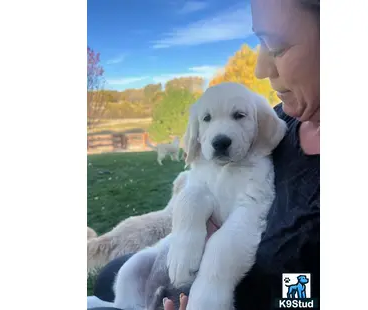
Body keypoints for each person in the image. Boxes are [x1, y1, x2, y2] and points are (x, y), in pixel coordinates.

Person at [89, 0, 320, 309]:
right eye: (260, 42)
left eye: (276, 45)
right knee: (113, 276)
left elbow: (300, 297)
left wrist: (210, 292)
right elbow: (201, 178)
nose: (260, 69)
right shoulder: (278, 121)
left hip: (252, 293)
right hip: (187, 270)